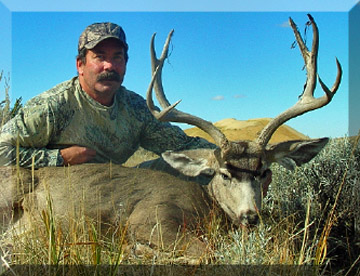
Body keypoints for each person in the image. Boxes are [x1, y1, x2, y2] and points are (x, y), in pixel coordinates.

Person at [0, 22, 214, 169]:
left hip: (111, 192)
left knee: (166, 168)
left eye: (117, 57)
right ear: (80, 65)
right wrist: (59, 158)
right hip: (52, 203)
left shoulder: (135, 108)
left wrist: (235, 152)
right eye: (99, 57)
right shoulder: (53, 106)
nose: (109, 66)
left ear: (126, 64)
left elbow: (182, 146)